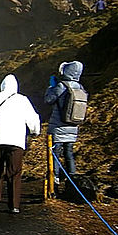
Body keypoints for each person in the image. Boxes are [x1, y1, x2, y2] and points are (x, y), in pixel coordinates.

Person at [0, 74, 41, 213]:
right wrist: (35, 131)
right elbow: (33, 118)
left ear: (2, 85)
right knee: (14, 172)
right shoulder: (23, 100)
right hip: (16, 139)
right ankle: (14, 205)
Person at [44, 60, 86, 188]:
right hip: (73, 127)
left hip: (58, 126)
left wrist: (51, 87)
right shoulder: (80, 88)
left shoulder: (62, 86)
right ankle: (72, 179)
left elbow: (48, 100)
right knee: (69, 153)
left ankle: (55, 180)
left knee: (55, 153)